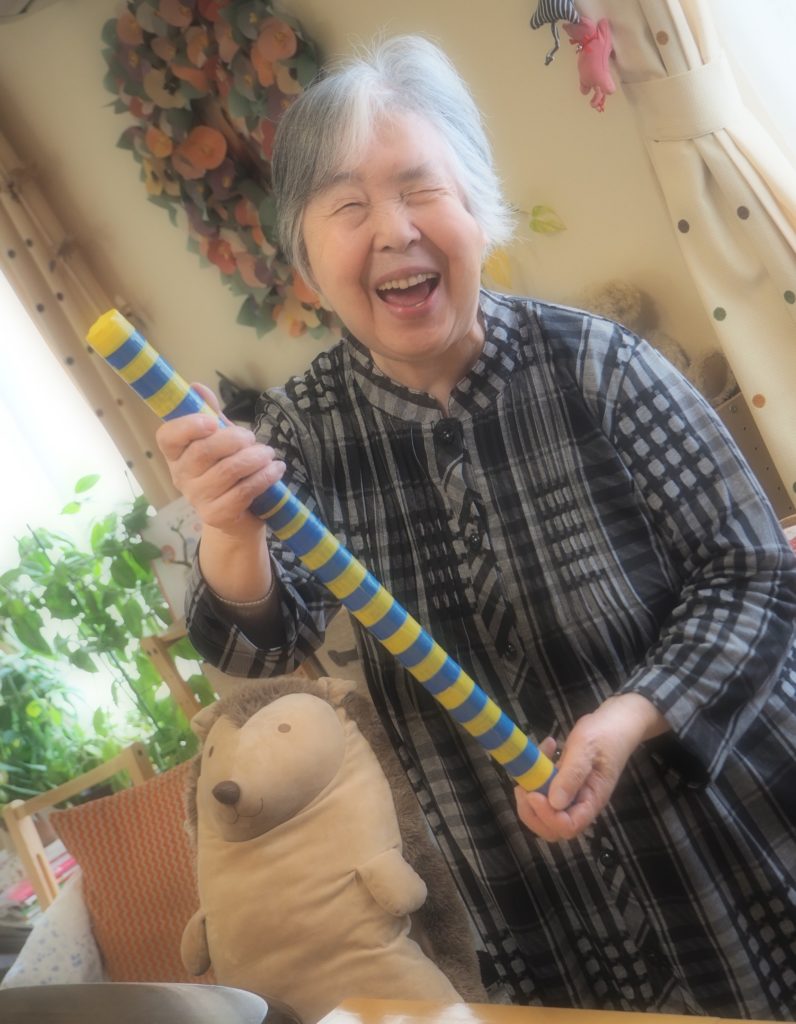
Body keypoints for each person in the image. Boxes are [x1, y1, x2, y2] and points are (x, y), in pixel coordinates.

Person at [158, 36, 796, 1018]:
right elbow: (262, 645)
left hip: (726, 817)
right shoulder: (299, 434)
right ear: (306, 259)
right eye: (347, 207)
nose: (393, 230)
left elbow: (753, 574)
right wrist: (230, 533)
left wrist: (632, 715)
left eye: (421, 188)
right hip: (531, 878)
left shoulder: (599, 366)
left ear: (480, 208)